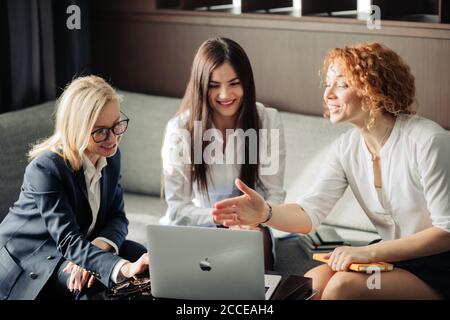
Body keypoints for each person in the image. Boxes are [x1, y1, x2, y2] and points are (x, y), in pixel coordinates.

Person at [213, 42, 450, 300]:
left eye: (342, 84)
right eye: (328, 84)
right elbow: (308, 214)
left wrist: (367, 253)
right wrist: (264, 213)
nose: (328, 94)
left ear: (373, 90)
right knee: (308, 284)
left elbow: (446, 232)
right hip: (390, 256)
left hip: (437, 264)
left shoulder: (429, 141)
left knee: (342, 286)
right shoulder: (346, 148)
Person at [0, 75, 149, 300]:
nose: (113, 139)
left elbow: (118, 218)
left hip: (76, 245)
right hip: (34, 255)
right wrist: (122, 268)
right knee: (85, 285)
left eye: (117, 125)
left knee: (141, 256)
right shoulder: (46, 169)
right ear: (76, 128)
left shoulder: (111, 156)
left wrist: (96, 249)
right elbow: (68, 240)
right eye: (100, 131)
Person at [160, 37, 286, 269]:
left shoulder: (268, 120)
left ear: (246, 82)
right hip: (197, 227)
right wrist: (222, 219)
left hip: (252, 226)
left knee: (254, 239)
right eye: (214, 85)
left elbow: (274, 194)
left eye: (234, 83)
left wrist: (252, 217)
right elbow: (177, 207)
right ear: (200, 85)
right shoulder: (180, 129)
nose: (225, 94)